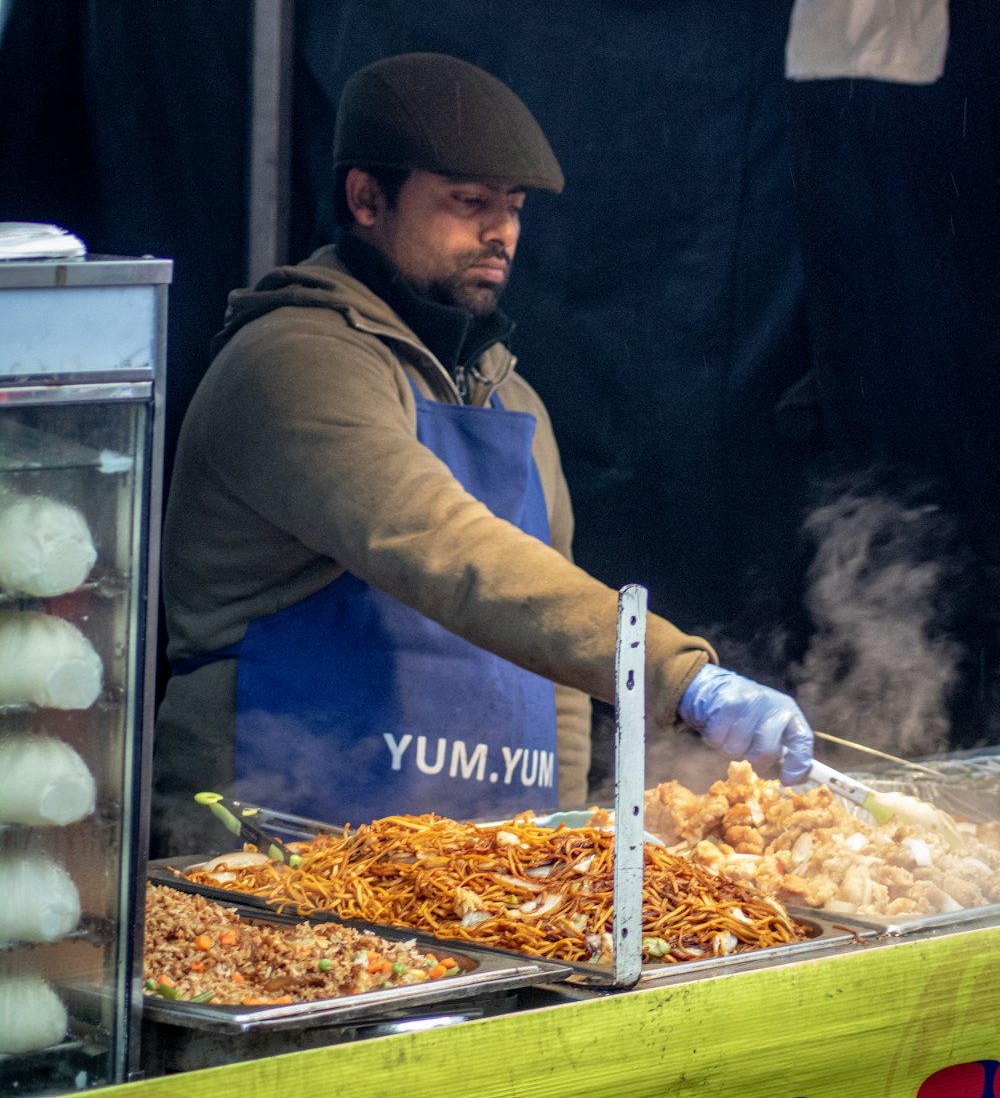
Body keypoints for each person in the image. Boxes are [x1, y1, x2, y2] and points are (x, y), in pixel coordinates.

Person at [151, 53, 813, 854]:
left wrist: (559, 841)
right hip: (274, 847)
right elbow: (445, 547)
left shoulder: (514, 399)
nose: (500, 232)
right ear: (366, 197)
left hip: (481, 870)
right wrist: (677, 674)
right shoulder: (293, 361)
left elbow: (558, 666)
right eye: (467, 203)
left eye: (513, 207)